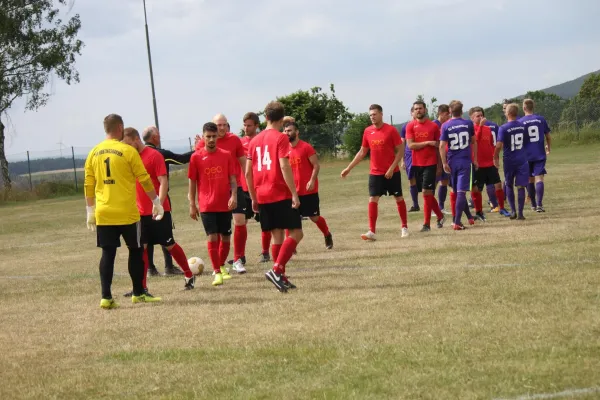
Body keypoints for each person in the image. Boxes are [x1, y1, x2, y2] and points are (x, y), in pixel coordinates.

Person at [84, 114, 162, 309]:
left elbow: (88, 184)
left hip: (104, 213)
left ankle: (106, 297)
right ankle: (137, 293)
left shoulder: (93, 152)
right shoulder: (127, 151)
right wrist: (156, 201)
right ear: (120, 128)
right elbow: (144, 178)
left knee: (107, 254)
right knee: (136, 251)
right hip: (127, 213)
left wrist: (89, 210)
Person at [121, 128, 196, 295]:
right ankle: (141, 288)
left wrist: (159, 204)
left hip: (160, 210)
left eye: (127, 143)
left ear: (135, 139)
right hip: (140, 212)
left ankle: (189, 275)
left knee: (169, 244)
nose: (126, 147)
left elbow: (163, 182)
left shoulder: (154, 155)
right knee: (142, 248)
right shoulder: (129, 157)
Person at [246, 101, 303, 292]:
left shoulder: (254, 140)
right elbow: (284, 165)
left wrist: (253, 197)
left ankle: (282, 277)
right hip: (279, 192)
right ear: (281, 118)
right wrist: (294, 193)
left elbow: (248, 173)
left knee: (277, 237)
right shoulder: (280, 138)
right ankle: (277, 270)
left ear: (266, 117)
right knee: (296, 233)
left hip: (262, 194)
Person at [341, 104, 408, 240]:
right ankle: (371, 231)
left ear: (381, 114)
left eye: (375, 114)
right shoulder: (367, 131)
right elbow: (362, 152)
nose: (372, 117)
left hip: (392, 172)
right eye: (370, 115)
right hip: (375, 172)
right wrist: (349, 168)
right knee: (373, 198)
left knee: (398, 198)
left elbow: (400, 150)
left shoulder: (391, 130)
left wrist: (391, 168)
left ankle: (404, 227)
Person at [196, 114, 248, 274]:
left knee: (240, 221)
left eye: (225, 124)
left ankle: (238, 259)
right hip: (215, 192)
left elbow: (244, 162)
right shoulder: (203, 143)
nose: (222, 128)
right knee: (217, 231)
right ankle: (219, 264)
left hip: (235, 187)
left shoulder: (235, 140)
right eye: (219, 125)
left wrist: (250, 182)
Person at [188, 122, 237, 286]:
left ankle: (221, 265)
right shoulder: (196, 157)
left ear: (218, 136)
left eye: (213, 136)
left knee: (226, 238)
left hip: (225, 203)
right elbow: (192, 182)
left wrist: (234, 196)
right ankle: (217, 272)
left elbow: (232, 179)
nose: (211, 139)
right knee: (212, 236)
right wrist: (192, 204)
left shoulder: (226, 155)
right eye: (208, 136)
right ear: (203, 137)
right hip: (206, 205)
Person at [142, 126, 194, 276]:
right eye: (158, 134)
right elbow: (181, 159)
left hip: (141, 201)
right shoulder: (160, 154)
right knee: (166, 234)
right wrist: (198, 149)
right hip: (160, 198)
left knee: (146, 237)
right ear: (154, 138)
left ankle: (150, 268)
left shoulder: (137, 155)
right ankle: (169, 267)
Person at [284, 121, 333, 248]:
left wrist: (311, 180)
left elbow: (316, 166)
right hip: (292, 192)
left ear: (297, 132)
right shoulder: (284, 150)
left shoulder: (306, 147)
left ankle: (327, 234)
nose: (287, 133)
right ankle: (290, 247)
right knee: (289, 219)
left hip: (308, 191)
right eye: (285, 131)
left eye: (289, 130)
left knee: (314, 217)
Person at [405, 101, 445, 232]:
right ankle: (440, 216)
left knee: (427, 193)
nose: (418, 111)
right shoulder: (410, 126)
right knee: (426, 193)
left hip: (431, 163)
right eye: (416, 109)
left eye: (420, 108)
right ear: (413, 111)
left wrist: (440, 165)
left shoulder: (433, 126)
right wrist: (428, 142)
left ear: (425, 109)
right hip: (416, 164)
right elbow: (411, 145)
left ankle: (426, 224)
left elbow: (439, 147)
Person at [439, 100, 478, 230]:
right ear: (462, 111)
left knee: (457, 192)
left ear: (450, 111)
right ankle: (457, 222)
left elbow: (442, 145)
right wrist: (476, 159)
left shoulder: (445, 125)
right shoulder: (468, 124)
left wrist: (444, 162)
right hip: (465, 161)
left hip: (452, 161)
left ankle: (468, 217)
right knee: (460, 192)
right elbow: (474, 142)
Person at [469, 107, 511, 219]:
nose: (480, 117)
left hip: (489, 162)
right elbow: (476, 140)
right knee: (477, 189)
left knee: (498, 185)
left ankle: (501, 208)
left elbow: (491, 145)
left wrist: (495, 157)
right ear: (471, 118)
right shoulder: (471, 129)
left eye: (481, 115)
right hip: (478, 164)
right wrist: (481, 126)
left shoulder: (488, 129)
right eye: (477, 116)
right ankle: (479, 211)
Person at [495, 103, 530, 220]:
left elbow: (499, 144)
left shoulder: (503, 128)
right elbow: (526, 142)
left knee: (508, 184)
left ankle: (513, 211)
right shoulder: (523, 126)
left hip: (509, 160)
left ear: (508, 113)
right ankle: (520, 213)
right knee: (520, 186)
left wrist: (495, 156)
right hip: (522, 159)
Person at [519, 98, 551, 212]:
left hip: (525, 155)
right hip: (539, 153)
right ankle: (539, 205)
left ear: (524, 108)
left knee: (529, 180)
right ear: (533, 107)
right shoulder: (541, 119)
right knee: (539, 178)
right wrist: (548, 147)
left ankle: (533, 204)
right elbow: (547, 135)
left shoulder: (520, 122)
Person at [432, 104, 452, 214]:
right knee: (433, 183)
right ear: (440, 114)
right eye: (446, 114)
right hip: (435, 158)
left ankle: (441, 206)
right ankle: (432, 208)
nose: (448, 116)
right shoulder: (434, 125)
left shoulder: (447, 125)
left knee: (444, 181)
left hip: (445, 156)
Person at [400, 108, 420, 212]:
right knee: (412, 180)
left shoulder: (424, 125)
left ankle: (431, 206)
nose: (416, 112)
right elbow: (402, 144)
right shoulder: (405, 126)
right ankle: (415, 205)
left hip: (422, 156)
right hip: (409, 157)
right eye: (414, 111)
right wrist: (403, 160)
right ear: (411, 113)